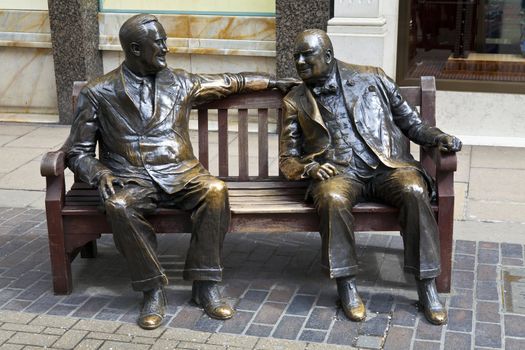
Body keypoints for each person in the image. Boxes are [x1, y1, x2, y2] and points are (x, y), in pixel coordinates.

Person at [65, 14, 297, 330]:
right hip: (133, 178)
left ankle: (206, 285)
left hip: (182, 174)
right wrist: (98, 172)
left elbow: (231, 81)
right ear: (135, 48)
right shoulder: (99, 91)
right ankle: (152, 288)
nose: (166, 48)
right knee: (118, 206)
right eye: (158, 43)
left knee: (215, 190)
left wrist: (273, 82)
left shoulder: (181, 82)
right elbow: (77, 152)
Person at [279, 29, 462, 325]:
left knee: (415, 190)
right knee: (332, 197)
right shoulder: (294, 100)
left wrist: (439, 137)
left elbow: (412, 124)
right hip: (339, 173)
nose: (299, 62)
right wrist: (309, 168)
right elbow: (288, 159)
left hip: (386, 167)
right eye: (296, 56)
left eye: (306, 55)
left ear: (327, 56)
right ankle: (347, 285)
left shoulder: (372, 78)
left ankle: (426, 286)